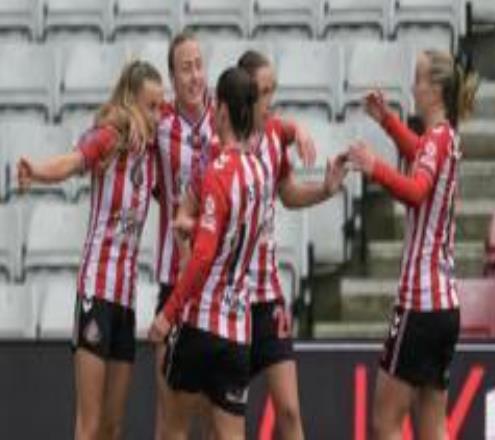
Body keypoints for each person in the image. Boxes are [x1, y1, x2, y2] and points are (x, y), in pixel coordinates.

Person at [17, 60, 164, 440]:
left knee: (113, 427)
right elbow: (72, 161)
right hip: (96, 293)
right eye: (151, 106)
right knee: (90, 424)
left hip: (126, 301)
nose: (157, 116)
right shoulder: (109, 139)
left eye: (160, 107)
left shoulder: (152, 156)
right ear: (131, 102)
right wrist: (36, 171)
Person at [347, 49, 478, 439]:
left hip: (418, 304)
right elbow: (418, 151)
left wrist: (375, 168)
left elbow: (417, 191)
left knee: (385, 422)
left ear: (436, 90)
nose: (413, 86)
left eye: (419, 79)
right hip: (444, 307)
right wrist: (387, 120)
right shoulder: (445, 137)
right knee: (433, 427)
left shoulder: (437, 140)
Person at [149, 66, 266, 440]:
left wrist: (167, 314)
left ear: (224, 111)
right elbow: (236, 233)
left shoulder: (218, 171)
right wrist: (198, 226)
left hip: (201, 324)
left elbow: (202, 257)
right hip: (238, 330)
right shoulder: (259, 172)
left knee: (173, 431)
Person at [238, 50, 347, 440]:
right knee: (224, 421)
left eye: (273, 90)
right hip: (230, 301)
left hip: (268, 295)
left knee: (289, 410)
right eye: (263, 91)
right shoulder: (222, 143)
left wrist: (326, 189)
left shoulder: (272, 139)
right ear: (245, 94)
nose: (271, 100)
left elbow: (287, 194)